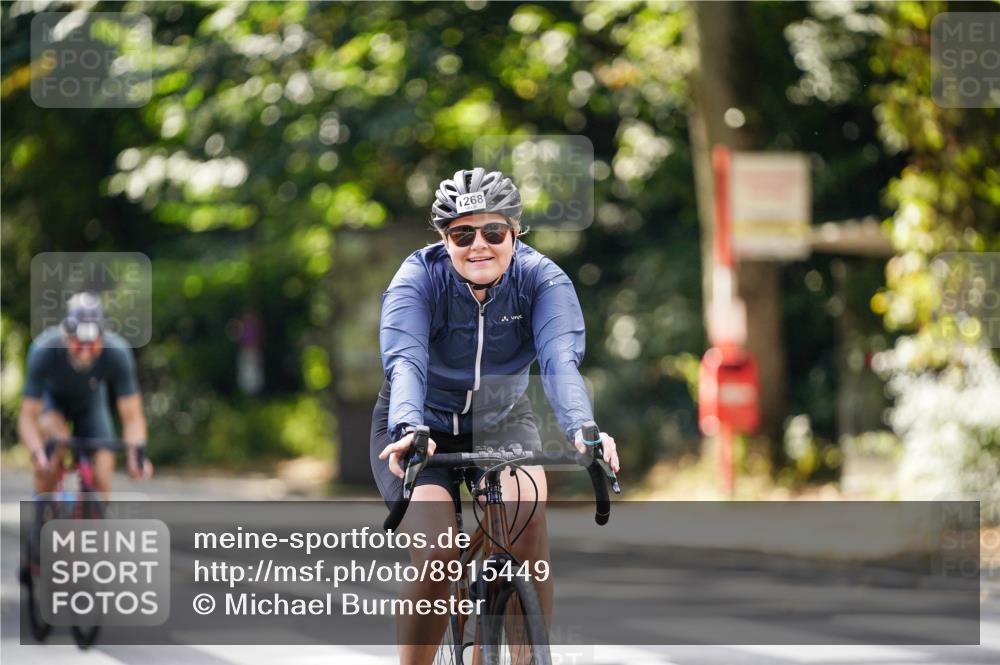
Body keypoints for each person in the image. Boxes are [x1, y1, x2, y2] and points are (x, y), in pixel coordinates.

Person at [371, 167, 620, 664]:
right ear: (444, 239)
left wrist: (583, 428)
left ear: (515, 232)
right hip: (421, 426)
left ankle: (529, 658)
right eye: (462, 233)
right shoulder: (419, 279)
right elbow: (406, 361)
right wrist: (409, 429)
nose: (478, 245)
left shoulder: (541, 279)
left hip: (503, 420)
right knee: (438, 560)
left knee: (527, 531)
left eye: (493, 231)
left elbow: (559, 361)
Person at [19, 291, 152, 501]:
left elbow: (132, 415)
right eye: (79, 342)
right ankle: (42, 514)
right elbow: (28, 416)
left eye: (93, 343)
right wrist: (38, 454)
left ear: (102, 337)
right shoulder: (43, 350)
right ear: (65, 336)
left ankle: (96, 526)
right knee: (55, 447)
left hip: (90, 404)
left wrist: (136, 456)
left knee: (102, 473)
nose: (85, 351)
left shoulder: (117, 353)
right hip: (52, 403)